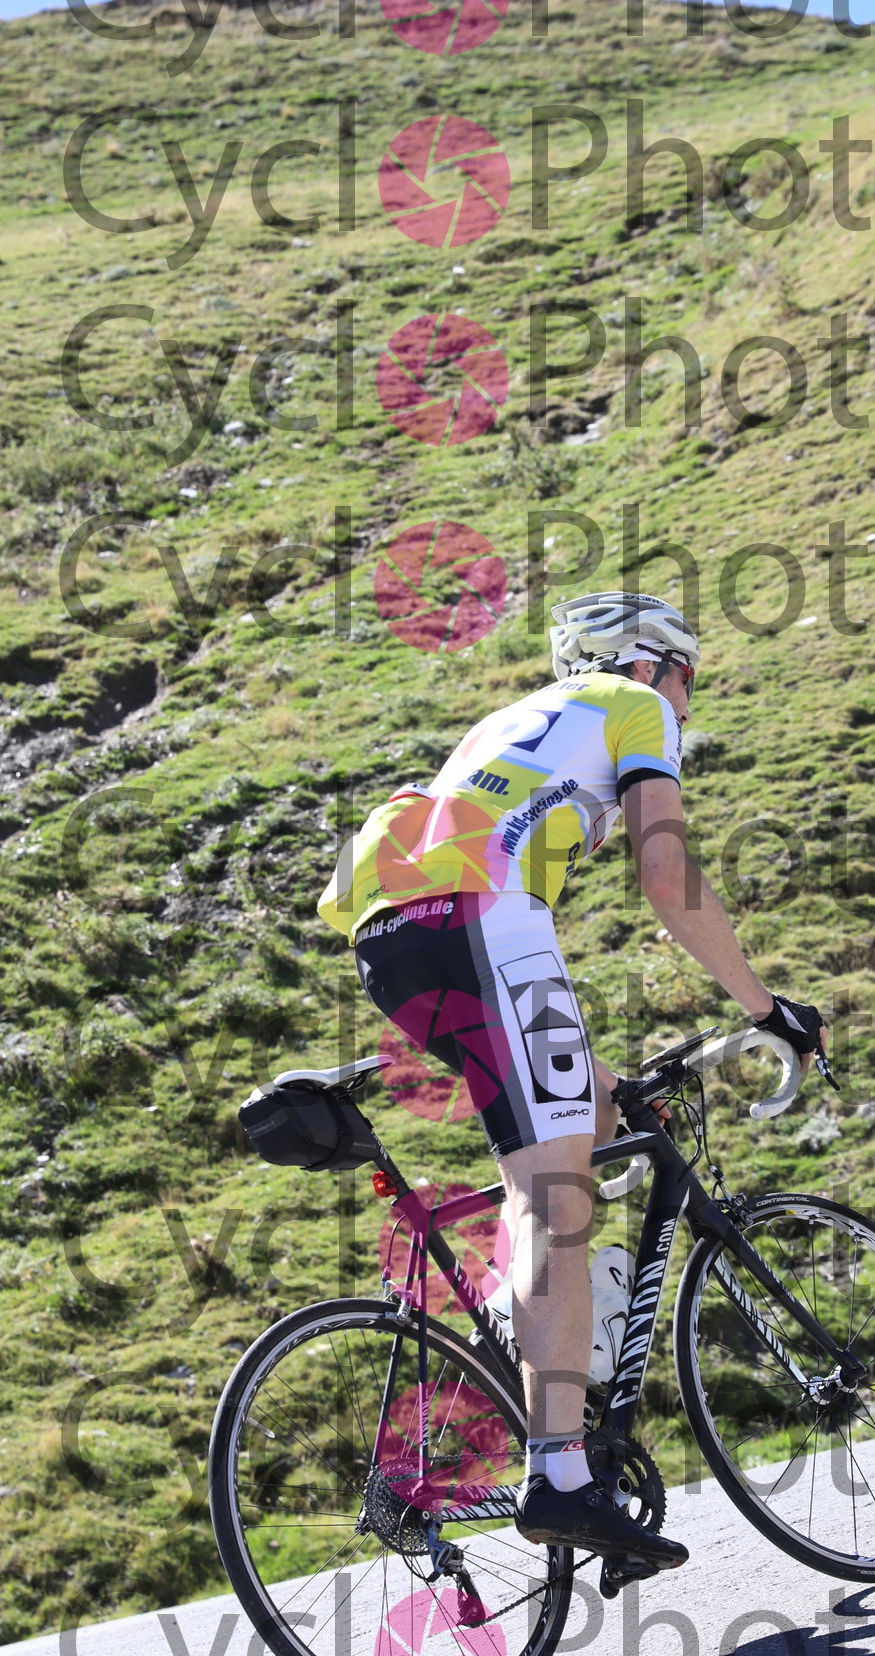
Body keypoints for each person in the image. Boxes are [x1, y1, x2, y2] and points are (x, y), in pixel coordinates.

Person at [317, 590, 824, 1575]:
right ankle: (560, 1475)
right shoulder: (633, 707)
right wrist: (768, 1009)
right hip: (484, 920)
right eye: (686, 677)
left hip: (395, 943)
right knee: (552, 1191)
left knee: (581, 1119)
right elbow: (667, 876)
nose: (687, 703)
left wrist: (600, 1082)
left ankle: (526, 1345)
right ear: (647, 664)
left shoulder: (510, 724)